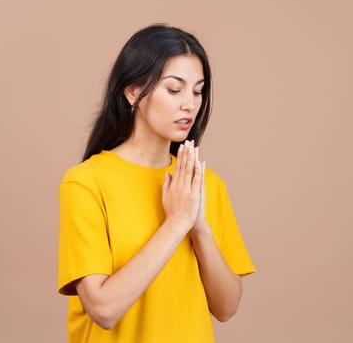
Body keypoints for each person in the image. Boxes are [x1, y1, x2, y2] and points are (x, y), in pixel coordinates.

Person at [57, 24, 255, 343]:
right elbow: (104, 309)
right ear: (133, 91)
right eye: (174, 89)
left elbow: (227, 307)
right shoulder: (86, 183)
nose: (190, 104)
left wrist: (199, 224)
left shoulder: (205, 185)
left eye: (198, 90)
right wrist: (176, 223)